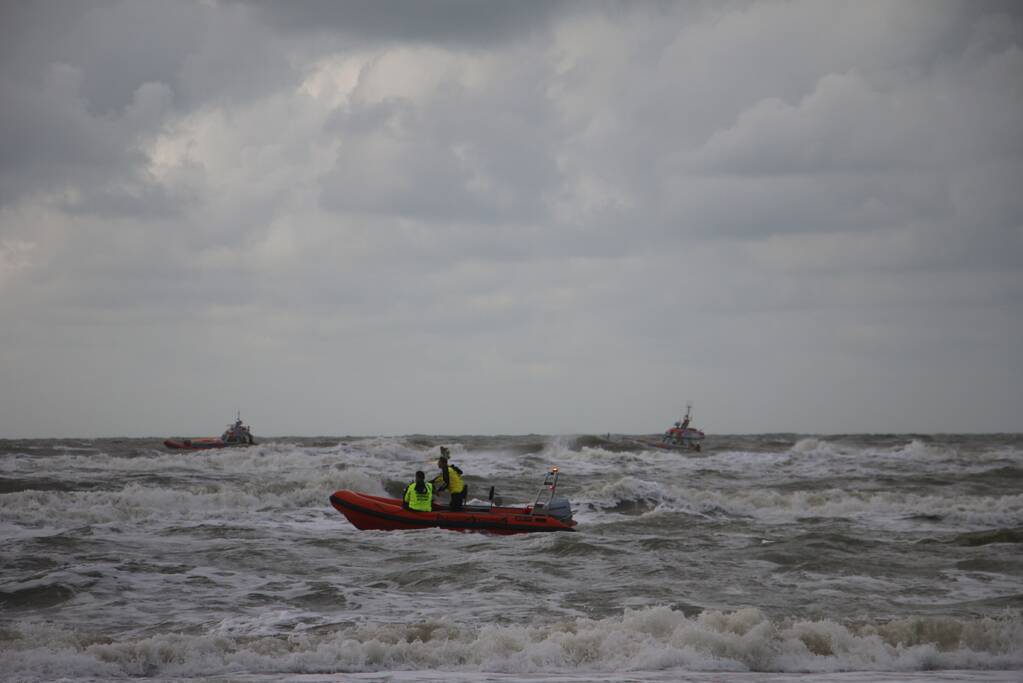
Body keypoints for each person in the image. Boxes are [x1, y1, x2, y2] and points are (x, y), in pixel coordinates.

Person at [433, 446, 466, 511]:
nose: (437, 464)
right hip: (461, 491)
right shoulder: (450, 469)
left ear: (442, 463)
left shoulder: (446, 470)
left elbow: (446, 483)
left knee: (455, 511)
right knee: (454, 508)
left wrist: (438, 491)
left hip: (457, 493)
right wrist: (428, 483)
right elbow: (436, 480)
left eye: (438, 462)